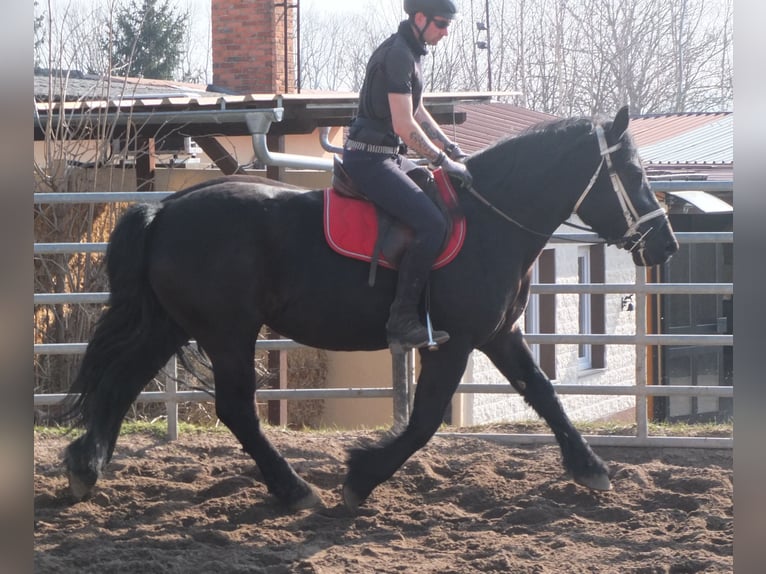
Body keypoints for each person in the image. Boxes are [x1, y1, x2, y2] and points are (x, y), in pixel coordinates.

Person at [342, 0, 473, 352]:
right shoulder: (398, 54)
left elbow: (415, 109)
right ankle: (401, 320)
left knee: (441, 200)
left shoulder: (411, 52)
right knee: (432, 224)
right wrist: (442, 159)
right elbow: (404, 125)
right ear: (419, 18)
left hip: (389, 157)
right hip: (369, 160)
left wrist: (451, 147)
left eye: (447, 25)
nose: (445, 32)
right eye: (441, 24)